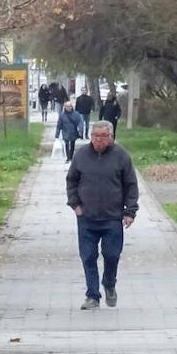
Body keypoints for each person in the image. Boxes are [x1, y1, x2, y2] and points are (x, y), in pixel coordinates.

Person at [66, 120, 138, 310]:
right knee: (88, 257)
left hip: (112, 217)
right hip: (86, 217)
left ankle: (109, 283)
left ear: (111, 137)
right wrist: (75, 205)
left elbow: (131, 185)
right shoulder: (81, 155)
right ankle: (92, 296)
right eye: (94, 136)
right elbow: (71, 181)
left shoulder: (121, 156)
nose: (98, 140)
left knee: (112, 255)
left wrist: (130, 211)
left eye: (102, 136)